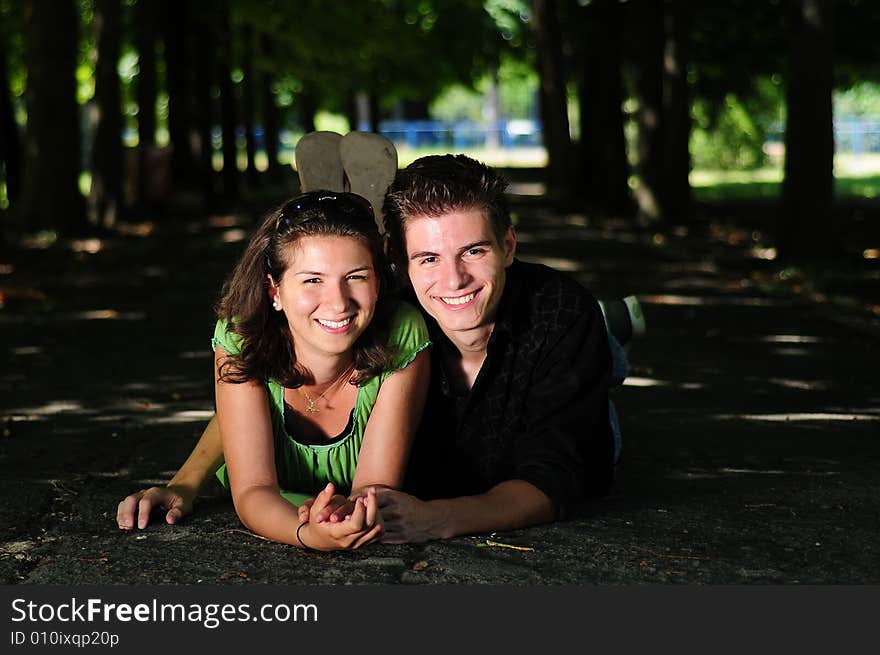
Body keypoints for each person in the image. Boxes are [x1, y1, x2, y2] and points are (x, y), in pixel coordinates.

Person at [119, 143, 637, 543]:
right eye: (428, 258)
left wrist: (438, 519)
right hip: (438, 420)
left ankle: (610, 332)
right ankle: (348, 219)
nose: (453, 280)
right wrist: (186, 481)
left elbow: (557, 477)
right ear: (401, 266)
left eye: (474, 250)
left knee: (595, 355)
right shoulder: (383, 312)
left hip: (548, 415)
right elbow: (267, 391)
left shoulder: (558, 314)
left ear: (508, 245)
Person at [115, 190, 431, 551]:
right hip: (268, 461)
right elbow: (252, 491)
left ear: (378, 285)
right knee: (258, 387)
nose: (338, 302)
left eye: (356, 277)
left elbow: (373, 491)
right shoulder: (241, 334)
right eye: (313, 280)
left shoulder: (403, 333)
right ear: (274, 291)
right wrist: (308, 535)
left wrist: (347, 515)